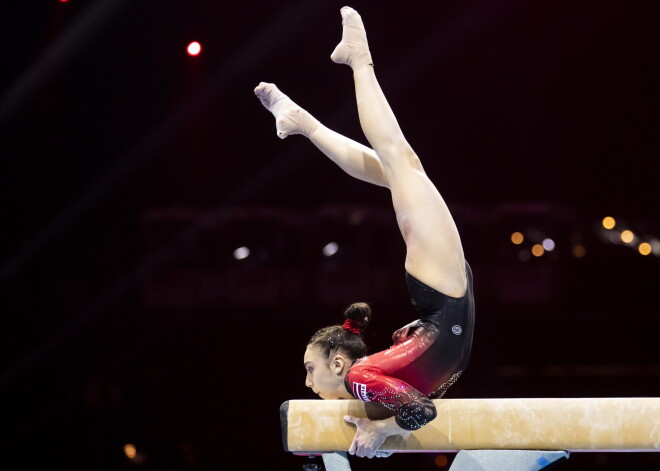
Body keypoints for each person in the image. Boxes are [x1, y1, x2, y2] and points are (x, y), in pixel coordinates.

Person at [255, 6, 475, 459]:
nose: (306, 381)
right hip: (445, 299)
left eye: (308, 370)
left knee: (401, 167)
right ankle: (356, 62)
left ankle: (305, 119)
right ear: (340, 364)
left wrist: (383, 430)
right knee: (400, 162)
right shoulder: (360, 380)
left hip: (447, 300)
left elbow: (417, 405)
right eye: (309, 369)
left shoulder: (366, 381)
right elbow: (422, 412)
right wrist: (383, 432)